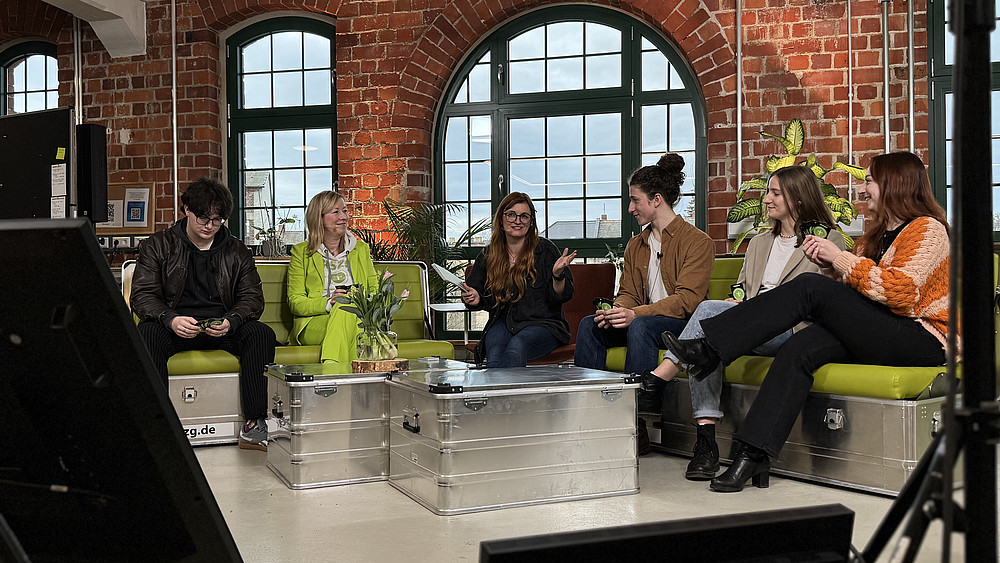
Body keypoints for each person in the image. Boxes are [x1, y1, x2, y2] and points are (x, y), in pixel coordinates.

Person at [664, 151, 952, 492]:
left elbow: (902, 293)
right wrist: (834, 267)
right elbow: (862, 292)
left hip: (922, 338)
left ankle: (709, 347)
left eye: (870, 182)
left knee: (810, 288)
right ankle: (752, 453)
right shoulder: (874, 237)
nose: (863, 190)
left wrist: (839, 260)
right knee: (802, 347)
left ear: (895, 185)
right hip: (882, 330)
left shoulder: (927, 230)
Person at [636, 165, 845, 480]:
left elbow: (827, 298)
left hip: (790, 331)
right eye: (768, 192)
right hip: (748, 323)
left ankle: (657, 381)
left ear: (798, 198)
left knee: (706, 322)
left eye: (775, 193)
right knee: (708, 342)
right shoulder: (760, 242)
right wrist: (737, 301)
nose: (766, 200)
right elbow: (743, 286)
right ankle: (705, 445)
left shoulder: (828, 239)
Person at [132, 177, 276, 452]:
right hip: (176, 326)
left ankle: (255, 423)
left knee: (261, 333)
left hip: (220, 327)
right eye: (203, 218)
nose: (210, 226)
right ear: (186, 209)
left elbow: (252, 299)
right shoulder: (157, 245)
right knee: (147, 333)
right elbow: (143, 296)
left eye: (218, 220)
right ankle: (156, 427)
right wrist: (170, 319)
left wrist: (232, 320)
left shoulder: (237, 251)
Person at [573, 153, 715, 377]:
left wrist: (635, 314)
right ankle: (587, 400)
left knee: (641, 326)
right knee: (591, 325)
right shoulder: (635, 245)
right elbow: (629, 292)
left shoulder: (697, 242)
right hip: (644, 320)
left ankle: (641, 406)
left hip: (684, 327)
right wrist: (618, 311)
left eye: (635, 200)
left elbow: (687, 301)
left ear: (656, 200)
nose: (630, 208)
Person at [462, 192, 577, 367]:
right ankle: (498, 394)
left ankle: (504, 394)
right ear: (501, 219)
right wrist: (475, 298)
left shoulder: (546, 250)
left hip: (544, 325)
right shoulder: (488, 254)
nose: (518, 220)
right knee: (494, 352)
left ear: (531, 221)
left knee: (517, 345)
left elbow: (562, 296)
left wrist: (557, 275)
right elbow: (478, 297)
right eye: (511, 214)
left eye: (524, 216)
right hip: (503, 323)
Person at [286, 190, 377, 367]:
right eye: (336, 212)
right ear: (319, 218)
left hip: (358, 319)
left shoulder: (361, 250)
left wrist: (358, 302)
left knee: (348, 309)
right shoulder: (301, 253)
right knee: (344, 308)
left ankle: (332, 369)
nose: (343, 217)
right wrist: (329, 302)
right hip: (314, 323)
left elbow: (374, 291)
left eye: (345, 211)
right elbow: (295, 302)